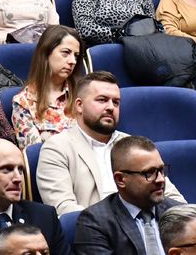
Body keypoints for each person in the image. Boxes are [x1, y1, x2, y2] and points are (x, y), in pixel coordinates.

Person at [74, 134, 188, 255]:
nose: (160, 180)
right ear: (121, 179)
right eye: (149, 173)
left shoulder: (177, 212)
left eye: (161, 170)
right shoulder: (95, 222)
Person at [36, 72, 127, 216]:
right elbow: (64, 208)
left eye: (116, 102)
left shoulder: (131, 144)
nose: (111, 107)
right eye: (102, 100)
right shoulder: (57, 148)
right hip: (91, 227)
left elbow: (163, 195)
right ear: (79, 105)